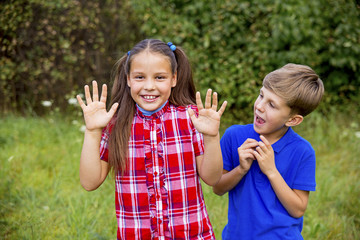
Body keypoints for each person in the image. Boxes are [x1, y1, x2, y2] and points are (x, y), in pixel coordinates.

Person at [76, 39, 227, 239]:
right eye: (139, 77)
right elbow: (89, 182)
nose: (149, 86)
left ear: (174, 79)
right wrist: (93, 131)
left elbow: (212, 177)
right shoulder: (116, 124)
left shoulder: (191, 118)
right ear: (128, 79)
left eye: (159, 77)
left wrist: (211, 136)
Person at [213, 63, 324, 240]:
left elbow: (298, 209)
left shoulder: (303, 152)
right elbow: (217, 188)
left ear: (293, 120)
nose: (260, 106)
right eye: (261, 95)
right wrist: (241, 169)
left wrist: (271, 171)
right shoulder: (234, 136)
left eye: (272, 104)